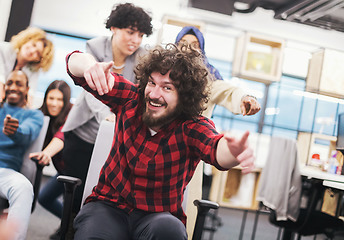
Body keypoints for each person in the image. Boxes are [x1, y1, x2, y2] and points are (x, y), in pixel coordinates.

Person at [65, 44, 255, 240]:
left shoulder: (193, 127)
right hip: (108, 207)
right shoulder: (130, 100)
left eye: (167, 88)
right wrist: (89, 66)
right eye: (152, 83)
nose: (154, 94)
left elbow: (215, 149)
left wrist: (233, 153)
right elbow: (73, 63)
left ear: (185, 96)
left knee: (170, 230)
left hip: (157, 217)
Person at [61, 2, 153, 219]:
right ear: (114, 28)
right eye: (130, 32)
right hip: (82, 132)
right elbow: (90, 89)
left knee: (96, 194)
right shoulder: (95, 47)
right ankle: (66, 228)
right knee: (74, 192)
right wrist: (108, 115)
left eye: (140, 35)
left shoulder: (141, 57)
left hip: (113, 139)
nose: (135, 40)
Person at [175, 26, 261, 118]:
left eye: (195, 45)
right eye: (183, 43)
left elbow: (229, 92)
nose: (188, 48)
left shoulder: (207, 80)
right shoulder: (164, 74)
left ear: (201, 51)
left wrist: (244, 98)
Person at [0, 70, 44, 240]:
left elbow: (27, 132)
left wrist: (15, 130)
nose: (13, 87)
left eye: (19, 84)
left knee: (24, 187)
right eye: (10, 82)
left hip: (6, 173)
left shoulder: (34, 115)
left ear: (27, 89)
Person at [29, 80, 72, 238]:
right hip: (62, 170)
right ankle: (69, 224)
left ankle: (70, 225)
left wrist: (46, 153)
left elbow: (62, 134)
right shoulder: (43, 115)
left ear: (66, 101)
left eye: (59, 99)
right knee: (44, 197)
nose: (54, 103)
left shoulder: (72, 113)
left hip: (78, 172)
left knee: (75, 209)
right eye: (51, 98)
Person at [0, 27, 54, 103]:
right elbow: (0, 78)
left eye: (37, 53)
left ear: (38, 59)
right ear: (26, 40)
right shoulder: (2, 49)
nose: (32, 51)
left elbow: (30, 94)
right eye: (33, 45)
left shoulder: (33, 71)